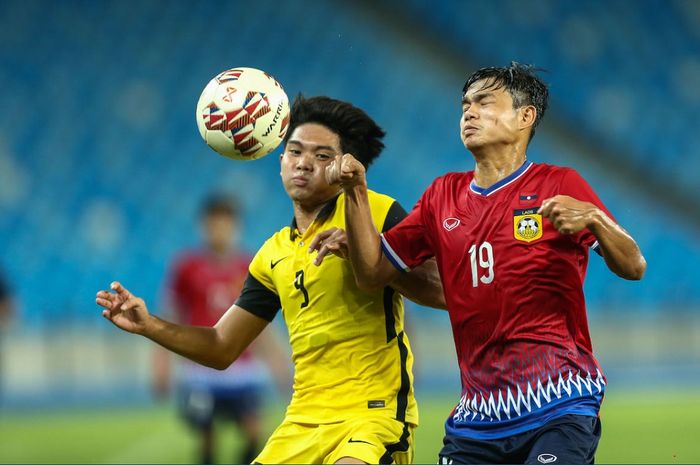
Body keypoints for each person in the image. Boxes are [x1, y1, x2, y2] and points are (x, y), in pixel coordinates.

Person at [96, 95, 446, 464]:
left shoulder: (378, 211)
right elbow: (220, 346)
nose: (304, 163)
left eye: (323, 156)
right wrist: (150, 325)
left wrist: (371, 254)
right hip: (302, 422)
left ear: (343, 166)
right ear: (280, 162)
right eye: (295, 152)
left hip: (372, 417)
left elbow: (443, 290)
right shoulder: (271, 255)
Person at [327, 63, 647, 464]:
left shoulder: (559, 183)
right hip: (477, 420)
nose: (469, 112)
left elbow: (634, 266)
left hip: (558, 404)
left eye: (484, 102)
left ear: (525, 116)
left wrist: (595, 219)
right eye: (465, 105)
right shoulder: (442, 195)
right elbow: (373, 273)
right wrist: (356, 191)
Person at [153, 195, 290, 464]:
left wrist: (278, 365)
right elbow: (171, 315)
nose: (220, 230)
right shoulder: (186, 267)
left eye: (226, 224)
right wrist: (162, 363)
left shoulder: (249, 265)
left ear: (236, 227)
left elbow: (260, 323)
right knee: (208, 437)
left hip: (242, 370)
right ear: (203, 226)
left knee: (254, 433)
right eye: (214, 224)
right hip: (201, 370)